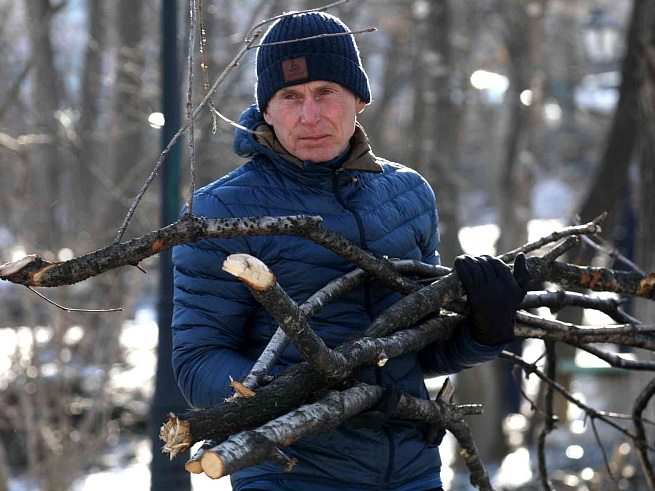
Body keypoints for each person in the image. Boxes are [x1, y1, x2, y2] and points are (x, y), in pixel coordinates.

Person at [172, 11, 528, 491]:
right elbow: (198, 364)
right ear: (267, 110)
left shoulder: (408, 195)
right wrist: (313, 383)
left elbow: (413, 354)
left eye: (326, 93)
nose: (310, 116)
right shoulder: (222, 211)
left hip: (411, 472)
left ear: (358, 98)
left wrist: (483, 331)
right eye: (290, 97)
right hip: (289, 475)